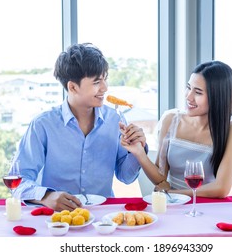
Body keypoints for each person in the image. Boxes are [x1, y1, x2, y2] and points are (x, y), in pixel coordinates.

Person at [12, 43, 147, 211]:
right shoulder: (42, 125)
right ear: (73, 87)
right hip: (57, 219)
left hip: (102, 217)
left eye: (105, 79)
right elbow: (17, 181)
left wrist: (137, 152)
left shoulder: (115, 120)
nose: (105, 88)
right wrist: (47, 196)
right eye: (97, 82)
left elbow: (126, 176)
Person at [122, 60, 232, 198]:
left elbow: (221, 189)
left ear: (217, 97)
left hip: (206, 205)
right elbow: (161, 177)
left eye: (198, 92)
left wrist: (172, 193)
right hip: (174, 205)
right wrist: (139, 153)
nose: (188, 96)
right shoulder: (171, 120)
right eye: (188, 87)